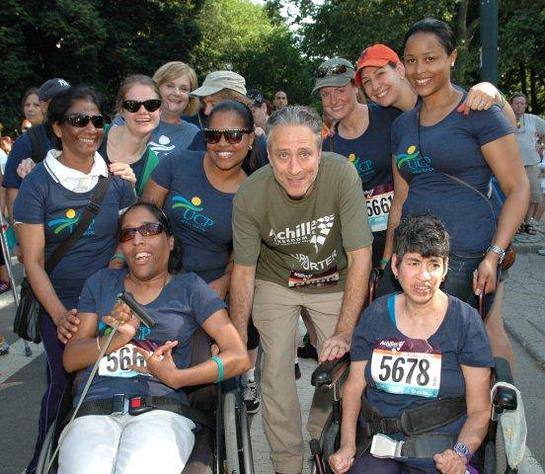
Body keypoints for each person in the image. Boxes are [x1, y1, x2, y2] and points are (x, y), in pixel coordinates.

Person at [229, 105, 373, 473]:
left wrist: (343, 331)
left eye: (305, 154)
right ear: (267, 153)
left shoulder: (341, 174)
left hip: (334, 279)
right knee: (275, 372)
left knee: (341, 368)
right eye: (282, 155)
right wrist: (236, 339)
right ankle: (287, 464)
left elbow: (360, 256)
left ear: (320, 149)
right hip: (276, 280)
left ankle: (321, 442)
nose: (294, 169)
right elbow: (243, 273)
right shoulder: (250, 194)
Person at [58, 202, 250, 474]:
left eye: (149, 230)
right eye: (127, 234)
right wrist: (115, 339)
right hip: (94, 410)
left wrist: (177, 378)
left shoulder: (190, 288)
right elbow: (70, 358)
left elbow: (239, 357)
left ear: (170, 241)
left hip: (160, 411)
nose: (137, 240)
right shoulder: (100, 283)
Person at [380, 19, 528, 349]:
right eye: (411, 60)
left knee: (455, 356)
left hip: (463, 259)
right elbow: (401, 198)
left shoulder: (478, 113)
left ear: (452, 57)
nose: (419, 69)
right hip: (410, 257)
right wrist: (387, 258)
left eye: (430, 58)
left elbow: (518, 188)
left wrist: (494, 255)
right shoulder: (403, 125)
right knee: (400, 350)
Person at [13, 85, 136, 473]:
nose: (89, 128)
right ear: (57, 128)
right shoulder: (38, 184)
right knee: (65, 386)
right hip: (60, 304)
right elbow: (31, 261)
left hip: (108, 300)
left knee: (109, 382)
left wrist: (117, 266)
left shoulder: (117, 180)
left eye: (97, 120)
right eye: (77, 120)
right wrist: (60, 315)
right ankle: (42, 461)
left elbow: (129, 240)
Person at [329, 214, 493, 474]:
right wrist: (347, 446)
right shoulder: (376, 316)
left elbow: (480, 410)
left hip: (441, 449)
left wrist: (460, 454)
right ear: (396, 266)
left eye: (433, 264)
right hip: (379, 446)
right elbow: (353, 389)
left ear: (446, 268)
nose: (424, 276)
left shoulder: (466, 321)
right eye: (414, 263)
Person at [143, 100, 263, 413]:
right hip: (155, 283)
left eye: (234, 135)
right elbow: (141, 222)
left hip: (204, 294)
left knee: (203, 374)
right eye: (214, 135)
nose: (223, 144)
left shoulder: (252, 193)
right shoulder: (177, 164)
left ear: (251, 139)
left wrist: (223, 283)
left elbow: (242, 258)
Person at [314, 57, 401, 268]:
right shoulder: (325, 143)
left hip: (401, 235)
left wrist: (490, 94)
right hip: (357, 243)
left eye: (340, 90)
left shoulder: (389, 115)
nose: (333, 100)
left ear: (355, 86)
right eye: (326, 94)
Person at [4, 78, 71, 220]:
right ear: (44, 106)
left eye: (70, 99)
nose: (67, 105)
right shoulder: (26, 142)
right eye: (59, 100)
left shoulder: (83, 135)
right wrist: (22, 237)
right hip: (40, 229)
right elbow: (12, 193)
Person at [188, 71, 269, 169]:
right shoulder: (201, 137)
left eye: (213, 104)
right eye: (205, 104)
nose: (207, 111)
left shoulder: (258, 141)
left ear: (236, 103)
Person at [104, 74, 161, 196]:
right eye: (132, 105)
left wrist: (131, 192)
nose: (143, 111)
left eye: (152, 104)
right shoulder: (94, 134)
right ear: (121, 110)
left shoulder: (153, 165)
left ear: (160, 110)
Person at [148, 61, 200, 159]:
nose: (176, 93)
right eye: (170, 86)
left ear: (191, 97)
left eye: (184, 89)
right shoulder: (137, 120)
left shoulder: (194, 134)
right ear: (156, 88)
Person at [510, 92, 545, 234]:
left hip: (531, 163)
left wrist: (541, 144)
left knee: (533, 195)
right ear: (511, 104)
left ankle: (527, 224)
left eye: (522, 103)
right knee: (514, 195)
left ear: (525, 105)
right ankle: (515, 224)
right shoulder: (504, 119)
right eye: (516, 103)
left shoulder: (533, 119)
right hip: (511, 164)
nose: (519, 106)